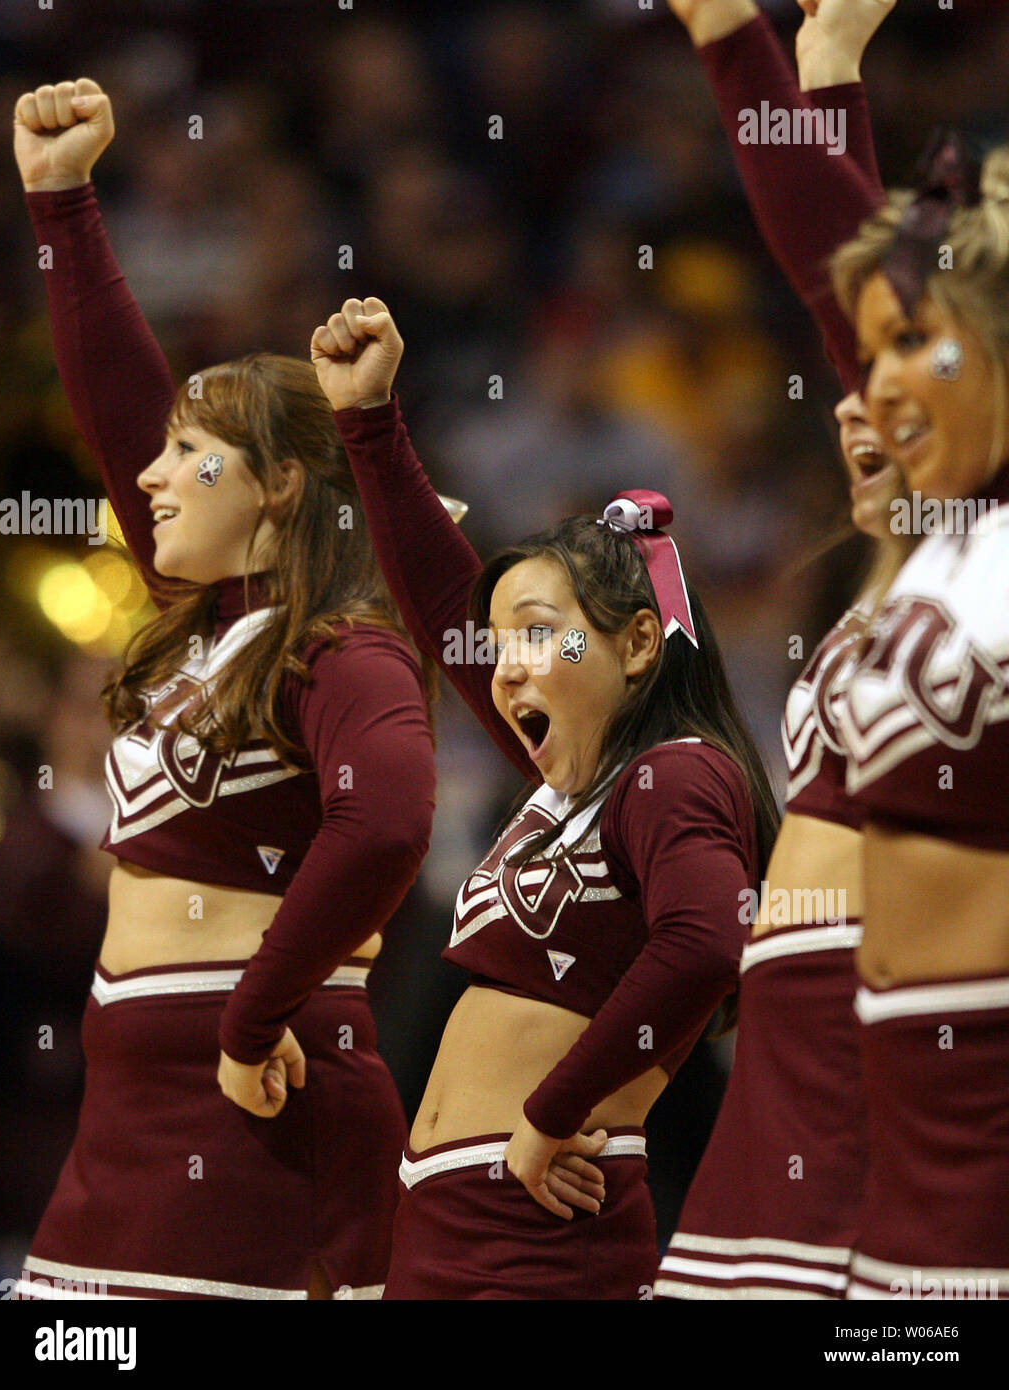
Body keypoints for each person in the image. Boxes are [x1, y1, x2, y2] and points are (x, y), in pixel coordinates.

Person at [11, 78, 436, 1301]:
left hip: (260, 1110)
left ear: (283, 487)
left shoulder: (342, 648)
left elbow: (390, 822)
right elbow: (113, 411)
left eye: (191, 456)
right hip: (132, 1116)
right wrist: (62, 204)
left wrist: (251, 1019)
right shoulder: (213, 629)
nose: (149, 474)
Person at [309, 295, 778, 1299]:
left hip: (533, 1218)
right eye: (506, 641)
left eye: (538, 633)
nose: (508, 668)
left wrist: (549, 1113)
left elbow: (702, 942)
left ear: (639, 645)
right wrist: (371, 422)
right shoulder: (577, 784)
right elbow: (447, 610)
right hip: (448, 1210)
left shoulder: (675, 768)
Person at [655, 0, 912, 1300]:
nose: (871, 406)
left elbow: (844, 290)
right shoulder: (900, 587)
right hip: (787, 1061)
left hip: (899, 1044)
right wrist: (827, 76)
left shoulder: (979, 551)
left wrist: (735, 47)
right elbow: (856, 318)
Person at [831, 134, 1009, 1299]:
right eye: (864, 353)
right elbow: (837, 247)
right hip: (899, 1109)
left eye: (909, 342)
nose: (876, 383)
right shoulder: (946, 547)